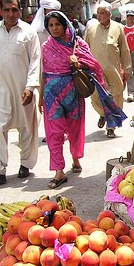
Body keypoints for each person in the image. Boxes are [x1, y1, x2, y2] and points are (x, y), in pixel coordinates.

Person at [39, 11, 103, 188]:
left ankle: (76, 158)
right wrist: (40, 97)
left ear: (65, 24)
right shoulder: (46, 47)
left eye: (57, 24)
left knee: (75, 129)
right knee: (54, 132)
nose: (54, 28)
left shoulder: (78, 44)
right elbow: (43, 73)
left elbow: (92, 64)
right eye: (50, 25)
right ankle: (59, 170)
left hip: (73, 92)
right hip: (51, 95)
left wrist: (78, 63)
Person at [0, 0, 41, 185]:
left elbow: (36, 61)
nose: (11, 14)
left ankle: (26, 164)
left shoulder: (29, 32)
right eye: (7, 10)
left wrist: (30, 87)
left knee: (26, 127)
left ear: (20, 10)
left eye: (14, 10)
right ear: (1, 11)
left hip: (23, 88)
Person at [85, 1, 131, 139]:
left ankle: (111, 126)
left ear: (109, 14)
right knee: (96, 97)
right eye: (98, 13)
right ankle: (103, 114)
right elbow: (85, 48)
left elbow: (124, 50)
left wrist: (127, 69)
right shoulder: (91, 29)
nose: (99, 16)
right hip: (95, 72)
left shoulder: (118, 28)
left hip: (113, 70)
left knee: (115, 97)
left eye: (102, 13)